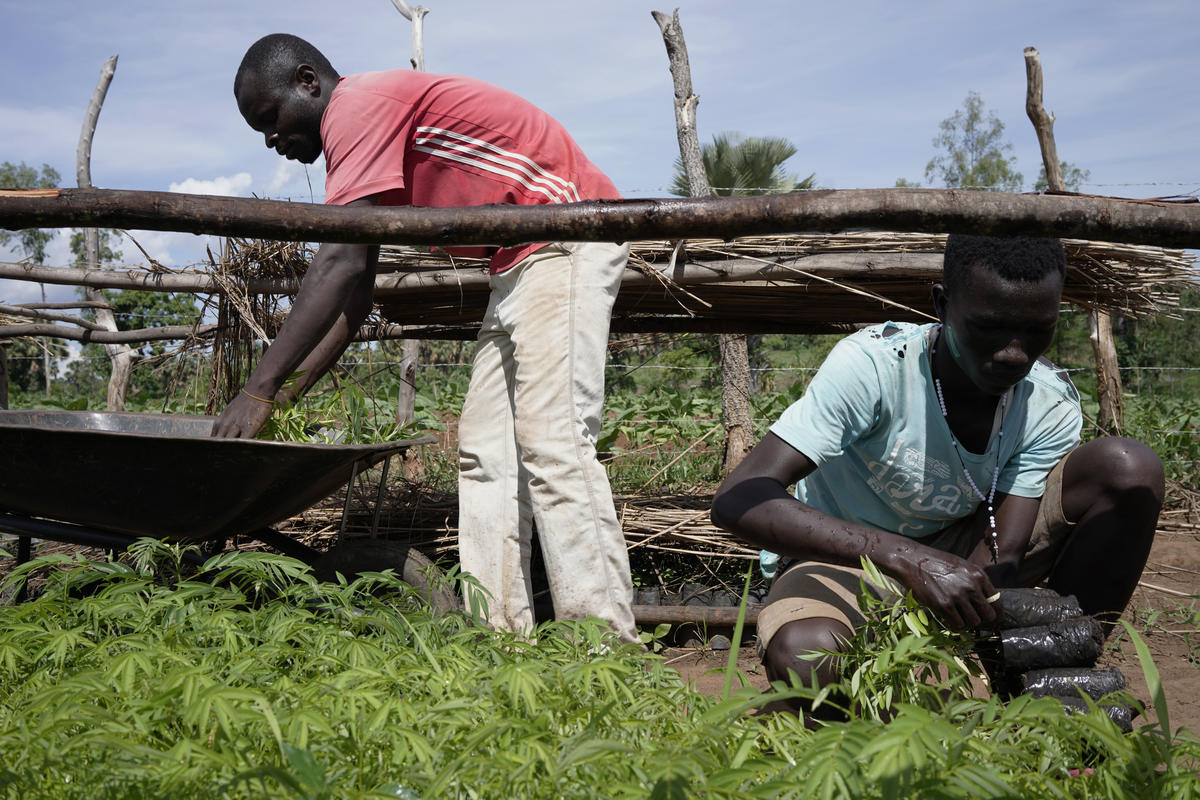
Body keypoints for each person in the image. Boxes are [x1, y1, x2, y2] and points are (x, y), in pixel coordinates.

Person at [215, 33, 639, 643]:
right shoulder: (357, 139)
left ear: (308, 82)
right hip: (515, 263)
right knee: (485, 452)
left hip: (565, 238)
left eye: (271, 118)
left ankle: (604, 645)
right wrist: (285, 397)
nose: (271, 139)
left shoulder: (357, 106)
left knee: (553, 443)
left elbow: (335, 264)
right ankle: (498, 636)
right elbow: (356, 292)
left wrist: (258, 391)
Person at [711, 234, 1163, 704]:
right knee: (810, 651)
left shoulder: (1044, 402)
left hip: (961, 553)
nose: (1014, 353)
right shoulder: (875, 368)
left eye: (1037, 329)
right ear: (943, 305)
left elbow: (1002, 556)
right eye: (989, 326)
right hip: (843, 556)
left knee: (1129, 468)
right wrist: (910, 560)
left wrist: (969, 619)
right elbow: (737, 497)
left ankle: (1050, 667)